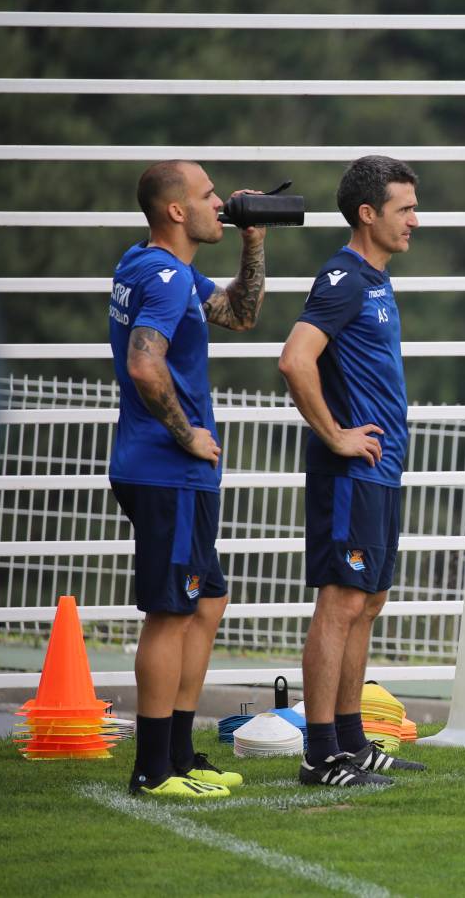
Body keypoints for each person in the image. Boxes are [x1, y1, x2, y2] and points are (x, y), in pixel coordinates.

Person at [109, 160, 269, 797]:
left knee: (204, 601)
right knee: (171, 613)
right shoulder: (167, 276)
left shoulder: (151, 264)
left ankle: (179, 753)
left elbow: (238, 313)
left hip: (172, 471)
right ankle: (152, 769)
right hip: (168, 467)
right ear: (176, 211)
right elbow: (144, 366)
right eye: (207, 197)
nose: (218, 206)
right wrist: (187, 434)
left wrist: (254, 240)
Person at [279, 155, 426, 787]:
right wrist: (335, 435)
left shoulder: (375, 278)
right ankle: (319, 754)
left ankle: (350, 740)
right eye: (405, 209)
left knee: (368, 601)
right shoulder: (342, 278)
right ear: (368, 214)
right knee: (341, 602)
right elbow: (294, 359)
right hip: (352, 473)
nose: (415, 221)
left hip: (381, 470)